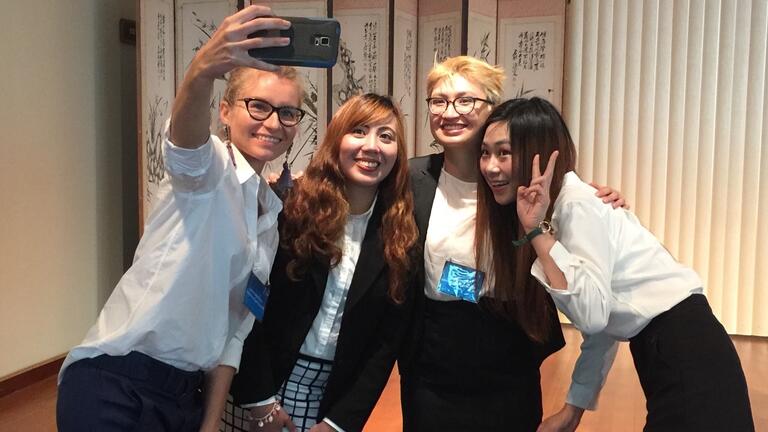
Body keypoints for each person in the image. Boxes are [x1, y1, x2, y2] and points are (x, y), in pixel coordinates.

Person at [56, 6, 305, 431]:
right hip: (118, 381)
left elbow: (233, 336)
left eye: (288, 112)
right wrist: (202, 71)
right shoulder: (208, 171)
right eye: (258, 106)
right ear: (225, 111)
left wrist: (209, 424)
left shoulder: (269, 218)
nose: (273, 123)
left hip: (186, 399)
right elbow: (184, 145)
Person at [477, 96, 754, 431]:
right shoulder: (564, 207)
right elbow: (604, 321)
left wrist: (537, 232)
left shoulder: (575, 206)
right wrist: (573, 409)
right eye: (485, 152)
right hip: (677, 350)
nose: (491, 166)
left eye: (503, 152)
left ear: (538, 153)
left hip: (685, 351)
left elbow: (593, 316)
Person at [398, 56, 626, 432]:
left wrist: (606, 203)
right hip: (432, 359)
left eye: (465, 100)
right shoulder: (411, 178)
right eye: (438, 101)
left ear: (493, 109)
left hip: (509, 354)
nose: (449, 112)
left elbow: (576, 225)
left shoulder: (523, 183)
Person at [224, 94, 419, 432]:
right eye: (358, 131)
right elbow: (249, 307)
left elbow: (385, 345)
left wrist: (339, 422)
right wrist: (260, 401)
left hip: (332, 399)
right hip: (259, 384)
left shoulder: (401, 235)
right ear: (337, 139)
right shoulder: (291, 208)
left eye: (386, 137)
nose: (372, 146)